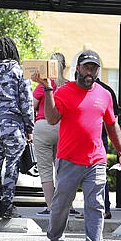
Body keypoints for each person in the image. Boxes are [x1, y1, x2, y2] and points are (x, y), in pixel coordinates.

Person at [32, 50, 121, 241]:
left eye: (94, 68)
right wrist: (48, 88)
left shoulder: (103, 94)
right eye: (86, 67)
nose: (90, 72)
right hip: (68, 159)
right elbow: (51, 118)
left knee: (95, 205)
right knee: (61, 206)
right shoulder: (64, 92)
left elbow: (111, 123)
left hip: (95, 160)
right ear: (77, 68)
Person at [0, 36, 34, 219]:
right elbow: (27, 103)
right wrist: (29, 129)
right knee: (12, 165)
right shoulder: (19, 71)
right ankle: (7, 205)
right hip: (13, 126)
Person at [32, 53, 80, 217]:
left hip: (43, 127)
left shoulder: (43, 84)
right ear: (64, 67)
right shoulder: (69, 85)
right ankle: (68, 206)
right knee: (64, 169)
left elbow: (32, 104)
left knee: (46, 170)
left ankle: (52, 207)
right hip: (63, 128)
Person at [96, 78, 121, 219]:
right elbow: (115, 117)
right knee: (99, 174)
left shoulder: (104, 92)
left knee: (97, 174)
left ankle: (104, 208)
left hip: (99, 137)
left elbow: (113, 120)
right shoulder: (108, 90)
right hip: (102, 137)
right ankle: (103, 208)